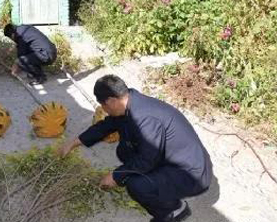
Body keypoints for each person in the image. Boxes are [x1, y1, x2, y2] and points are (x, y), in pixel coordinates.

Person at [59, 75, 213, 222]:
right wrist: (74, 143)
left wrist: (115, 176)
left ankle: (174, 210)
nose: (103, 109)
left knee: (136, 185)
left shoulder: (145, 118)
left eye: (103, 105)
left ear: (111, 101)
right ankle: (156, 183)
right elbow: (106, 126)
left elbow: (147, 159)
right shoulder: (129, 102)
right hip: (170, 158)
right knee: (124, 151)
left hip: (191, 174)